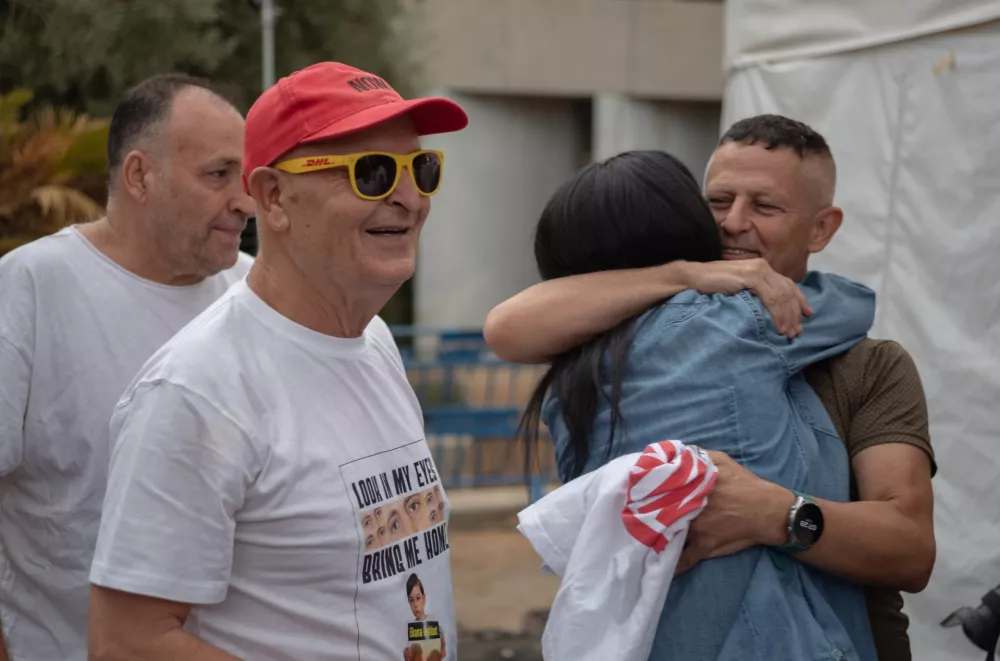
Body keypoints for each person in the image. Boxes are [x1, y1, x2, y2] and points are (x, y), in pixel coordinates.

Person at [484, 115, 935, 661]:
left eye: (765, 207)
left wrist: (775, 513)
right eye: (717, 201)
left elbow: (911, 551)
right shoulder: (646, 337)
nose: (734, 223)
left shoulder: (870, 367)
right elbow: (506, 328)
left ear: (821, 228)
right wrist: (686, 274)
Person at [87, 61, 468, 661]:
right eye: (372, 173)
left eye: (421, 170)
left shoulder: (373, 343)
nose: (409, 198)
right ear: (274, 197)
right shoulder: (196, 390)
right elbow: (126, 643)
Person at [0, 74, 253, 661]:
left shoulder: (258, 294)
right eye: (219, 175)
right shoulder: (30, 289)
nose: (245, 200)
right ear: (140, 176)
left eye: (245, 176)